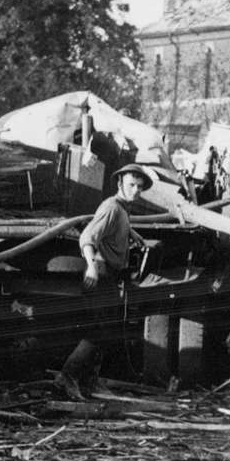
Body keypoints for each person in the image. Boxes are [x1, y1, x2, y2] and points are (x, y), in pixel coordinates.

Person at [63, 164, 154, 395]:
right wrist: (91, 268)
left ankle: (90, 381)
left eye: (139, 187)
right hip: (100, 273)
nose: (135, 191)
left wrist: (131, 233)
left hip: (110, 275)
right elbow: (87, 236)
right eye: (131, 185)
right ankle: (68, 376)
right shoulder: (112, 207)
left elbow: (114, 226)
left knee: (108, 331)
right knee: (98, 331)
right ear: (120, 183)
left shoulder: (122, 209)